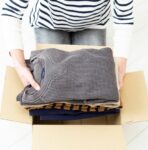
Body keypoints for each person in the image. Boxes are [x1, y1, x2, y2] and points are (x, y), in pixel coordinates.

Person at [0, 0, 134, 91]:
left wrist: (120, 67)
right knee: (51, 83)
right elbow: (11, 10)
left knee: (93, 82)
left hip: (93, 24)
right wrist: (20, 65)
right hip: (49, 23)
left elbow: (124, 17)